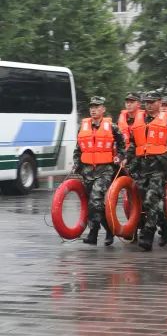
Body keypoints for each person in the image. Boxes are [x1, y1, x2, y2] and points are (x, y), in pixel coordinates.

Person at [127, 92, 167, 251]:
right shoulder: (139, 121)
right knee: (145, 200)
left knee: (151, 199)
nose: (149, 105)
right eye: (147, 102)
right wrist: (127, 158)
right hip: (141, 166)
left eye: (152, 102)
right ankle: (165, 224)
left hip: (159, 165)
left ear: (159, 102)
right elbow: (133, 143)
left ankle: (148, 236)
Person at [73, 96, 126, 246]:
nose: (93, 109)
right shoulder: (83, 127)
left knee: (95, 199)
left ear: (103, 109)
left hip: (105, 170)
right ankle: (109, 231)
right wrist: (77, 163)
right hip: (88, 171)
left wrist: (120, 156)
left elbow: (122, 144)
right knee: (95, 204)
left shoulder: (112, 127)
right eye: (91, 107)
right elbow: (78, 149)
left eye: (97, 106)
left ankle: (93, 233)